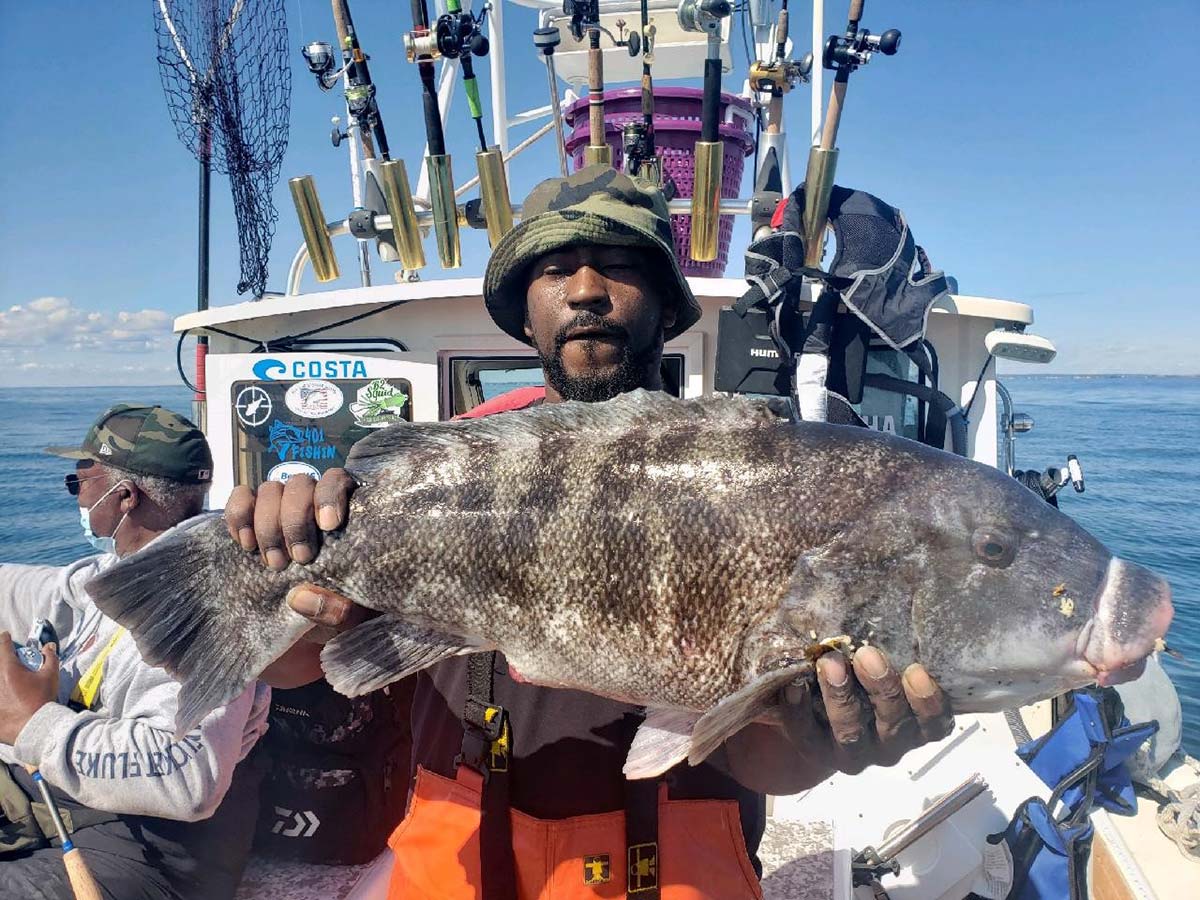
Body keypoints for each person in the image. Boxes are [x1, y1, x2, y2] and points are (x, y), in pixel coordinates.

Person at [230, 167, 952, 898]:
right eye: (553, 271)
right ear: (526, 313)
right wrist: (282, 571)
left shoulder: (750, 478)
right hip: (462, 866)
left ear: (667, 307)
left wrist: (831, 736)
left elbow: (766, 765)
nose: (584, 289)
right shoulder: (433, 482)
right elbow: (304, 670)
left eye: (616, 265)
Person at [0, 404, 271, 900]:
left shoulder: (202, 602)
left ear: (123, 496)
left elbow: (188, 778)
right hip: (80, 810)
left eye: (77, 483)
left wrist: (30, 724)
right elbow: (40, 592)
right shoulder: (128, 571)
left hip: (151, 852)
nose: (75, 496)